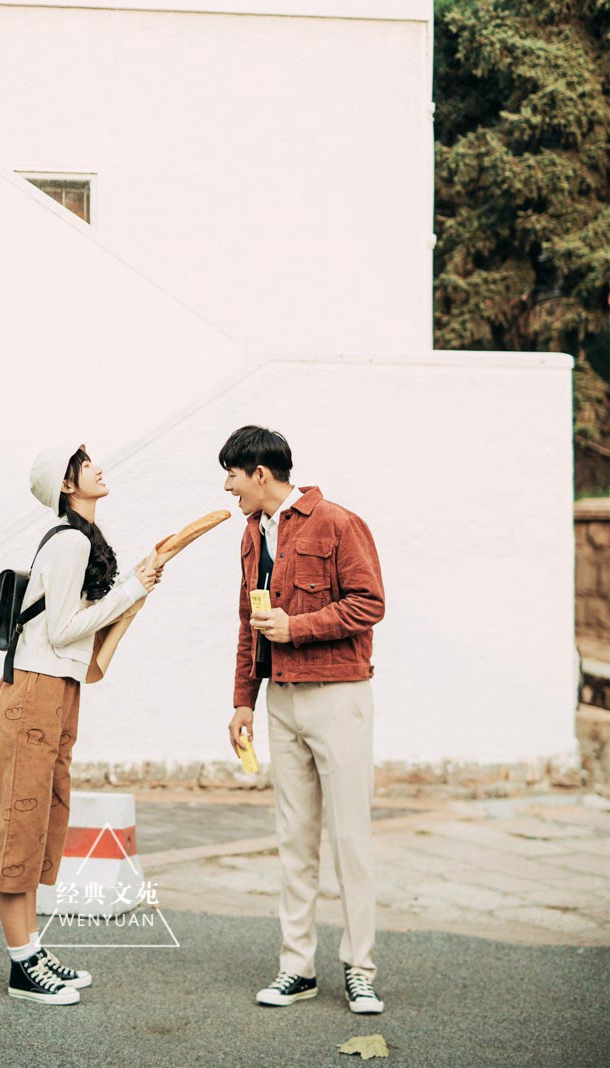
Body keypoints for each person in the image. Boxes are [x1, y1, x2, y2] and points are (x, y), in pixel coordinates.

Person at [0, 442, 161, 1006]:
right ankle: (21, 965)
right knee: (20, 826)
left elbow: (74, 626)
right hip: (33, 692)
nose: (97, 467)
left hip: (55, 692)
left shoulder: (82, 539)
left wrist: (132, 588)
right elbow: (63, 629)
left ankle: (31, 950)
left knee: (41, 824)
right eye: (85, 464)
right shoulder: (68, 542)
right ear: (66, 485)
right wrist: (131, 590)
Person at [221, 424, 386, 1016]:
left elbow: (370, 603)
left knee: (350, 839)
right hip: (281, 701)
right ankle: (297, 967)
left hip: (338, 695)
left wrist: (298, 627)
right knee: (294, 838)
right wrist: (243, 700)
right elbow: (249, 622)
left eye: (232, 476)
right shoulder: (251, 535)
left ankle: (360, 970)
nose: (228, 487)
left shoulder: (338, 522)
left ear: (260, 474)